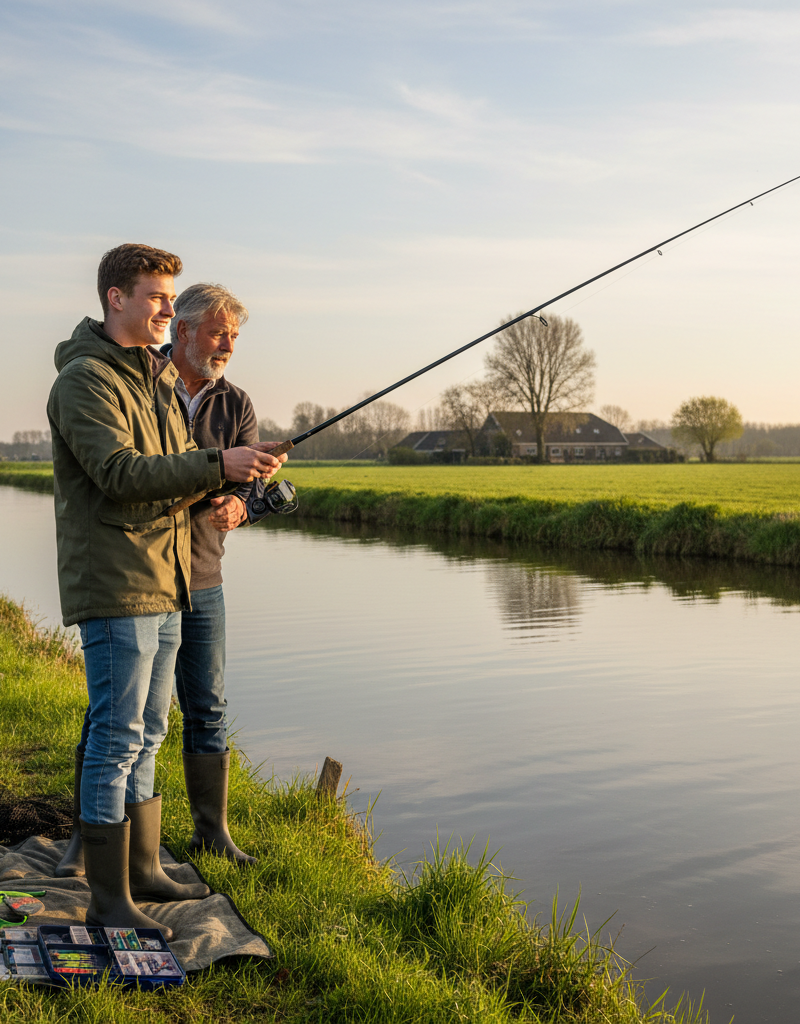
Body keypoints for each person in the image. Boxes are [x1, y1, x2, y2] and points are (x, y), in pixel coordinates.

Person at [47, 244, 285, 937]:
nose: (165, 309)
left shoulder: (149, 382)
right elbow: (122, 474)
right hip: (120, 581)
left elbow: (171, 474)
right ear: (115, 297)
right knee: (117, 736)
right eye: (156, 297)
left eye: (169, 298)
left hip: (170, 577)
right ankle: (107, 895)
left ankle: (144, 866)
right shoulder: (86, 381)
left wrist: (240, 489)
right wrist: (219, 462)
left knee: (150, 731)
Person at [166, 281, 262, 865]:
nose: (227, 344)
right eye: (218, 331)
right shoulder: (143, 385)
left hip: (205, 575)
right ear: (183, 329)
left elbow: (250, 482)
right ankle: (103, 838)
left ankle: (212, 835)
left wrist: (242, 505)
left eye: (233, 336)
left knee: (208, 708)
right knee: (125, 715)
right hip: (142, 577)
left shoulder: (238, 404)